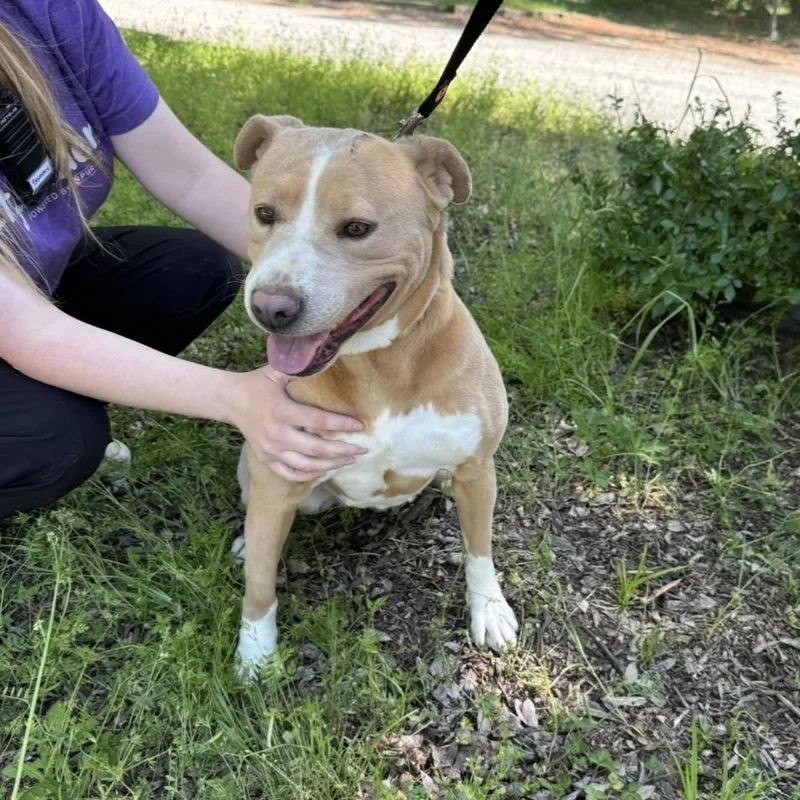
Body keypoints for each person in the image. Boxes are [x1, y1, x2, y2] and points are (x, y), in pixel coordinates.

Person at [0, 0, 367, 521]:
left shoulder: (42, 10)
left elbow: (187, 174)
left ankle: (55, 396)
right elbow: (26, 329)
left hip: (27, 283)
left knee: (192, 270)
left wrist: (317, 271)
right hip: (14, 315)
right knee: (54, 439)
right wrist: (236, 397)